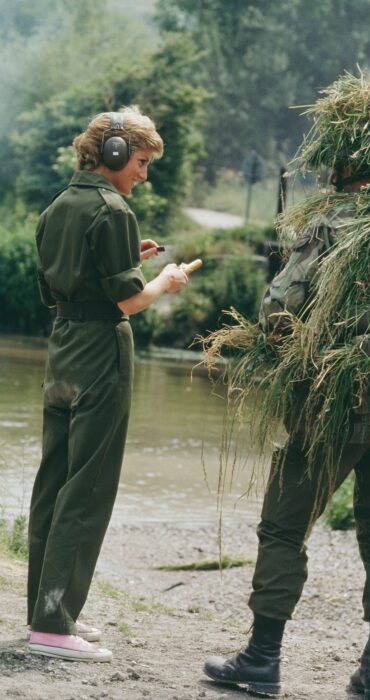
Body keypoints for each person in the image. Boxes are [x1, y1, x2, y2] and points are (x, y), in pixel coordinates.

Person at [203, 73, 370, 699]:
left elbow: (278, 314)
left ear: (342, 163)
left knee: (285, 529)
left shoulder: (332, 227)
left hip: (334, 408)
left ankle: (263, 660)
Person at [28, 107, 188, 662]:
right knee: (88, 487)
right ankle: (53, 627)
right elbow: (127, 301)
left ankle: (47, 614)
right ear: (116, 155)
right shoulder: (114, 209)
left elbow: (60, 289)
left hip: (62, 351)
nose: (144, 174)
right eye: (142, 162)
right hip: (101, 353)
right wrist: (163, 281)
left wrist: (127, 259)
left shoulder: (56, 208)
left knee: (53, 482)